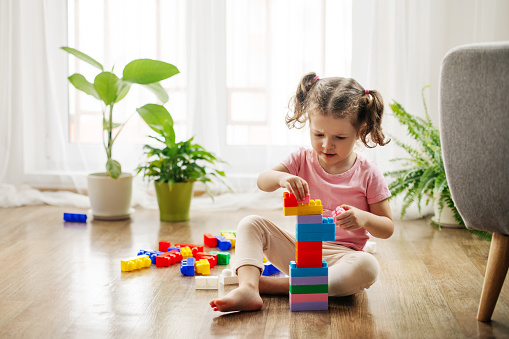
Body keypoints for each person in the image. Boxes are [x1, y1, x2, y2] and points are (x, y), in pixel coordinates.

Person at [210, 73, 394, 312]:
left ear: (361, 131)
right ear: (309, 124)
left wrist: (363, 218)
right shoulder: (300, 159)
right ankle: (248, 288)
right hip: (299, 253)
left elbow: (387, 227)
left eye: (339, 137)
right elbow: (262, 181)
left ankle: (279, 286)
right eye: (318, 134)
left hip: (343, 259)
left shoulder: (369, 173)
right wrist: (282, 177)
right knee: (250, 223)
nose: (327, 145)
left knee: (368, 266)